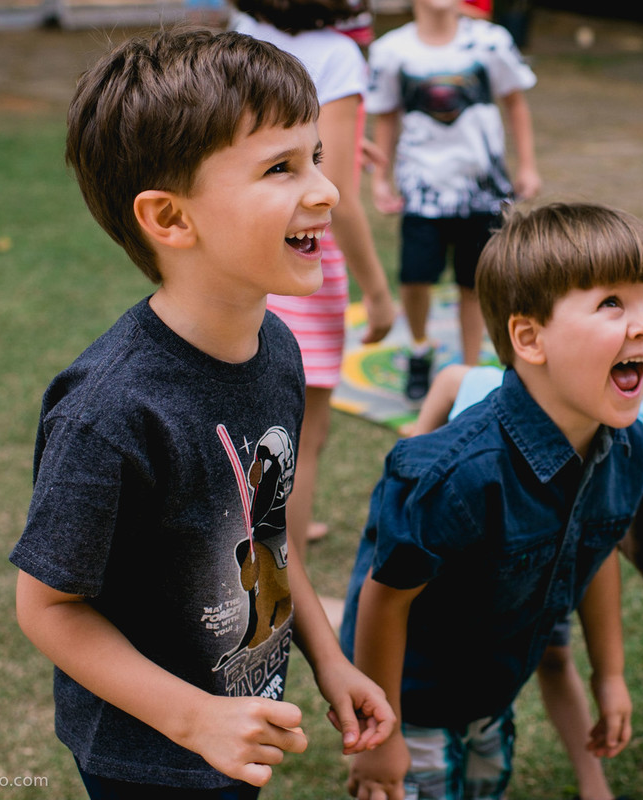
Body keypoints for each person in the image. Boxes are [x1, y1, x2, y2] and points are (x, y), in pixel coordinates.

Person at [9, 30, 395, 798]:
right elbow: (47, 608)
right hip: (147, 756)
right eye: (281, 167)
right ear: (171, 218)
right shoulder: (111, 411)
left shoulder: (278, 348)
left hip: (241, 725)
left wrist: (330, 659)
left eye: (316, 156)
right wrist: (194, 720)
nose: (325, 191)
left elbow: (269, 534)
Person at [337, 202, 643, 800]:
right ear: (528, 337)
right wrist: (379, 731)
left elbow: (594, 552)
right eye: (611, 304)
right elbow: (383, 601)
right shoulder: (459, 477)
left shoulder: (626, 446)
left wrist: (612, 675)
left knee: (487, 783)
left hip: (496, 684)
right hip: (413, 694)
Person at [411, 364, 643, 800]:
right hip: (489, 555)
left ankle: (593, 784)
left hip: (551, 554)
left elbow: (601, 558)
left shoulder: (632, 467)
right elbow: (450, 380)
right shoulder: (537, 420)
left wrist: (609, 673)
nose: (616, 552)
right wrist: (414, 449)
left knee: (555, 654)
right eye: (626, 548)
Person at [232, 0, 398, 557]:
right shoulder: (338, 55)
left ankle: (272, 528)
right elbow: (339, 196)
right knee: (303, 432)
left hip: (245, 248)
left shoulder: (242, 35)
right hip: (302, 257)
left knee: (249, 417)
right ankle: (289, 555)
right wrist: (377, 291)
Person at [366, 0, 542, 399]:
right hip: (423, 190)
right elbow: (387, 114)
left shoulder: (491, 42)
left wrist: (527, 165)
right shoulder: (391, 51)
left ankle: (468, 368)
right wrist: (382, 177)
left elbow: (515, 102)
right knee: (414, 277)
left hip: (482, 190)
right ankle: (419, 347)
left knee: (476, 282)